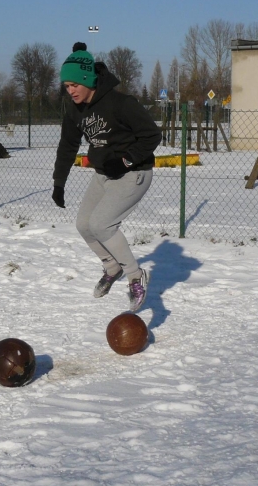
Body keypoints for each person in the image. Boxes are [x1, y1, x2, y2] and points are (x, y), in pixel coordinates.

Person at [52, 42, 161, 312]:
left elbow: (152, 135)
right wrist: (59, 182)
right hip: (103, 175)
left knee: (102, 224)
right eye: (67, 86)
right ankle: (112, 267)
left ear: (88, 80)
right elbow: (67, 146)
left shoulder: (121, 103)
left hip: (134, 173)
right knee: (84, 225)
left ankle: (136, 276)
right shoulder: (74, 109)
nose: (71, 90)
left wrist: (124, 160)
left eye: (74, 84)